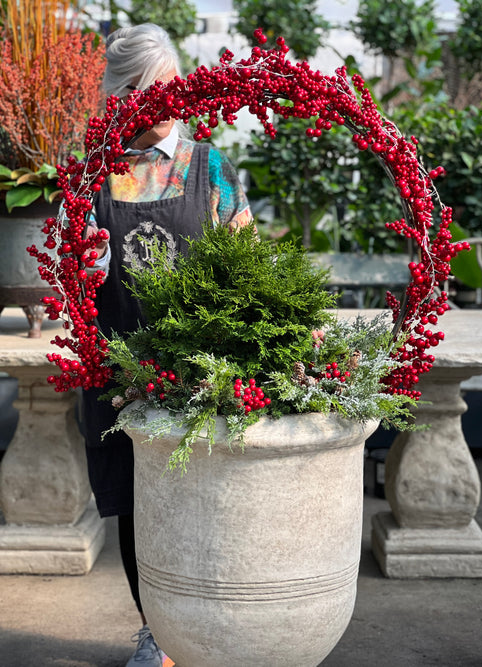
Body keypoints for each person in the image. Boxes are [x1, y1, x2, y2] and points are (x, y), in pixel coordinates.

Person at [80, 23, 252, 667]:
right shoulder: (96, 169)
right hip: (120, 368)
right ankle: (156, 634)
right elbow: (73, 277)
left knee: (200, 509)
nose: (146, 110)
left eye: (156, 93)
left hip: (198, 371)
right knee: (135, 508)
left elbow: (244, 268)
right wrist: (85, 266)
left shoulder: (211, 167)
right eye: (129, 96)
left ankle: (208, 634)